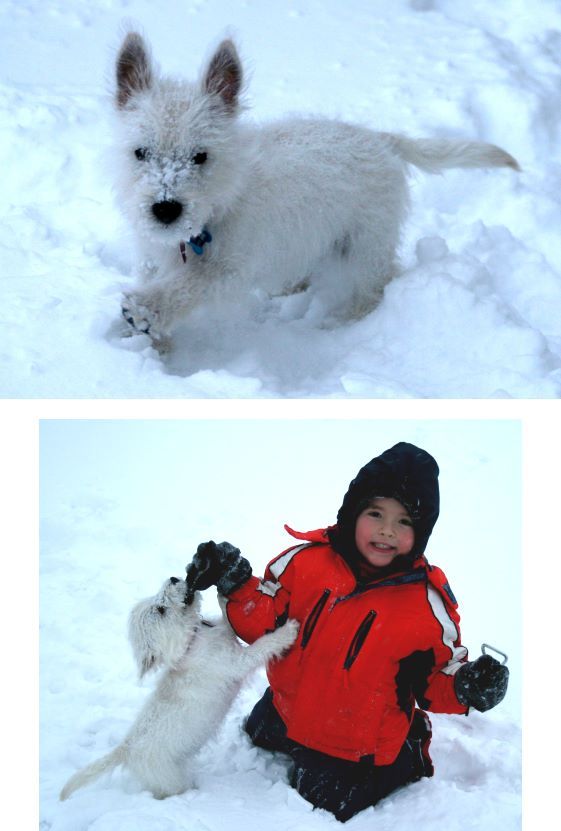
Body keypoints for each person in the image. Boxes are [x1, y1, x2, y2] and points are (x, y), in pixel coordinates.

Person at [185, 442, 509, 822]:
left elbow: (435, 677)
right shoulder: (304, 562)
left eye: (404, 521)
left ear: (420, 533)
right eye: (376, 513)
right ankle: (291, 723)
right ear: (353, 512)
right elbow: (267, 623)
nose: (388, 530)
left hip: (354, 740)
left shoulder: (425, 607)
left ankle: (407, 750)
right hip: (290, 706)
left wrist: (466, 685)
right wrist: (236, 582)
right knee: (257, 732)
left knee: (323, 798)